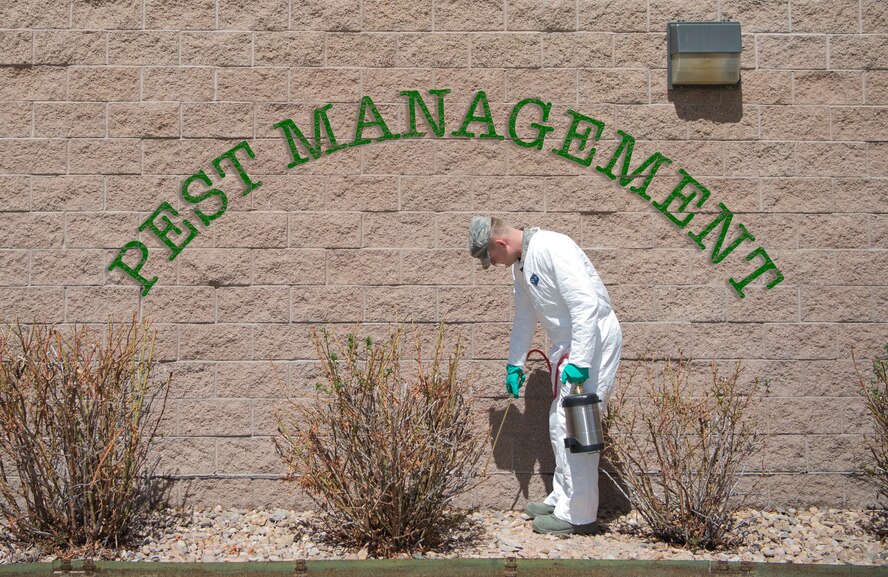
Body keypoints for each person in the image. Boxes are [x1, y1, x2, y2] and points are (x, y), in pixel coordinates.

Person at [468, 215, 622, 536]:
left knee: (577, 424)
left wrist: (580, 360)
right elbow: (525, 317)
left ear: (500, 243)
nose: (493, 264)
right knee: (558, 421)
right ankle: (563, 497)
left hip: (593, 341)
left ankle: (578, 515)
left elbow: (585, 304)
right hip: (571, 347)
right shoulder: (521, 267)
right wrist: (515, 364)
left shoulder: (553, 247)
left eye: (491, 258)